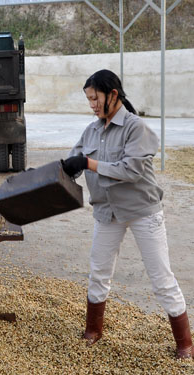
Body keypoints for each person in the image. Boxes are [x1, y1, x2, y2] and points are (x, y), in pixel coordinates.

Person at [62, 69, 193, 359]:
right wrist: (59, 171)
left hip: (142, 211)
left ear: (113, 95)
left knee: (161, 278)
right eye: (88, 100)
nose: (92, 105)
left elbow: (130, 170)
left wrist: (88, 163)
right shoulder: (92, 129)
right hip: (106, 213)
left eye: (95, 98)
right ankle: (93, 330)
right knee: (98, 272)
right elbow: (73, 160)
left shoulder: (136, 128)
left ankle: (185, 343)